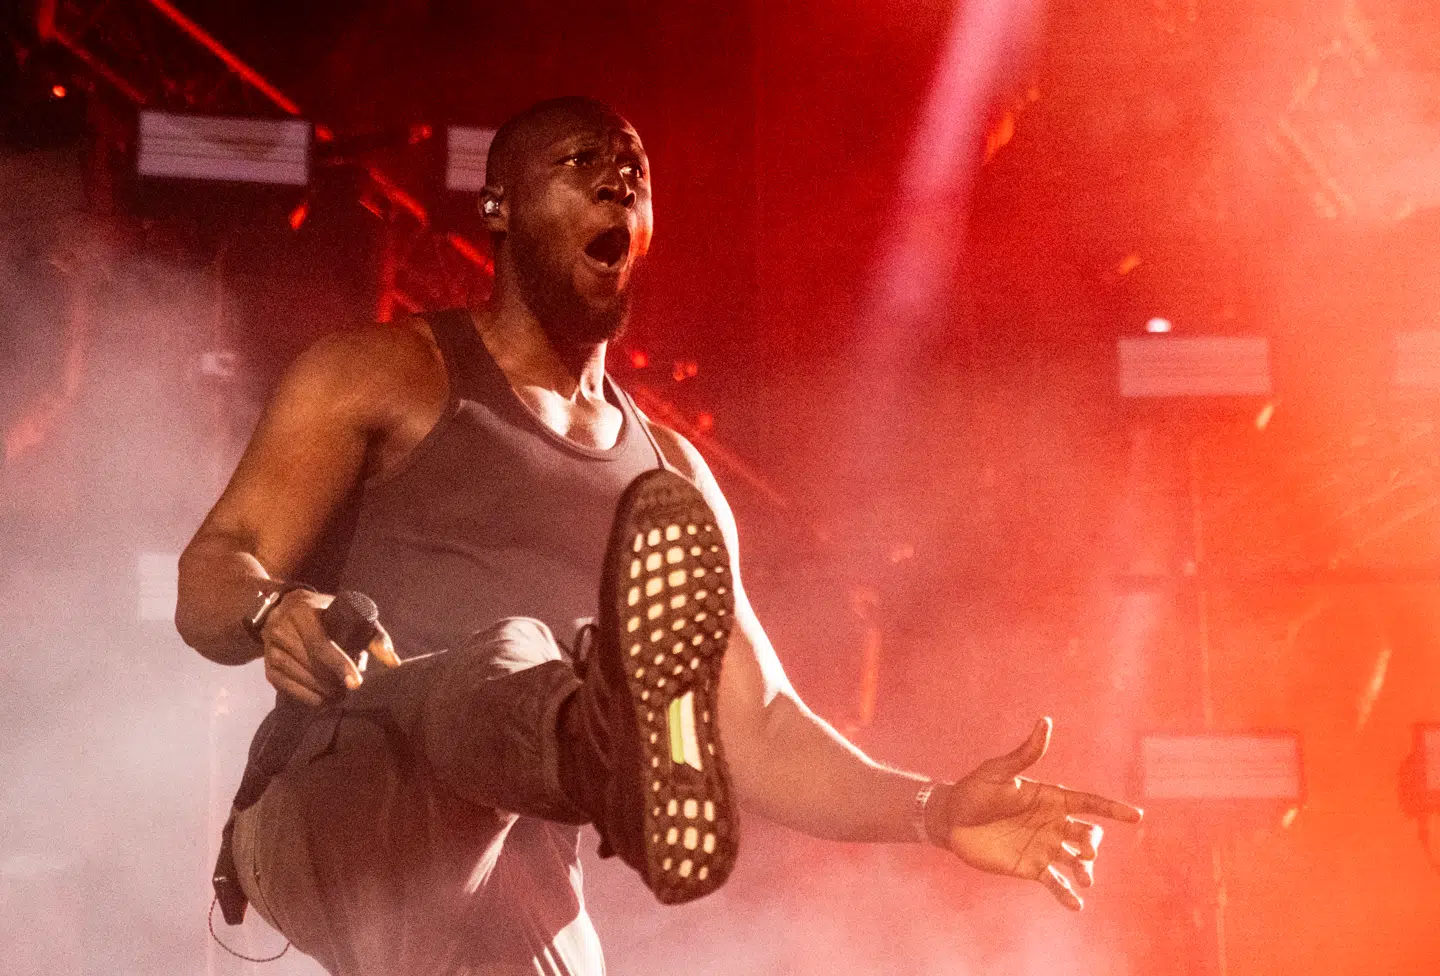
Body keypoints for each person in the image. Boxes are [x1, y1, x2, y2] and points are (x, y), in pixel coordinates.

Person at [176, 95, 1142, 976]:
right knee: (509, 656)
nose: (617, 179)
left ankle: (588, 739)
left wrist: (933, 811)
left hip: (514, 873)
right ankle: (590, 735)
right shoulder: (383, 373)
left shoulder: (672, 476)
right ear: (497, 207)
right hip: (338, 796)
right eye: (581, 161)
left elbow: (756, 726)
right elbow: (209, 574)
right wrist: (272, 609)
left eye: (634, 170)